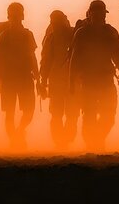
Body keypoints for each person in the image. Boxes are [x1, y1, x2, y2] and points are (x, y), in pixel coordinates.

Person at [69, 0, 119, 151]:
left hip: (105, 80)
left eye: (100, 13)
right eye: (96, 13)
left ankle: (97, 140)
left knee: (108, 116)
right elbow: (74, 59)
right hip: (88, 80)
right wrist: (71, 82)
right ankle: (92, 144)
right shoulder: (82, 33)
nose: (99, 16)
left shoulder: (110, 32)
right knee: (90, 115)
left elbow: (118, 54)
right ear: (90, 14)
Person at [0, 2, 39, 149]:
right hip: (15, 78)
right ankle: (16, 137)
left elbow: (31, 56)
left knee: (16, 112)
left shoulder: (10, 35)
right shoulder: (6, 36)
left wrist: (38, 78)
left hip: (17, 78)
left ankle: (16, 136)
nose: (17, 17)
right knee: (17, 112)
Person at [39, 10, 79, 149]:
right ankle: (61, 142)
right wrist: (43, 80)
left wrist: (43, 80)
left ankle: (65, 140)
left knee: (71, 114)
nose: (55, 24)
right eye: (53, 22)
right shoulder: (52, 38)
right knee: (58, 114)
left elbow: (45, 61)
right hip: (59, 81)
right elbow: (46, 60)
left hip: (71, 80)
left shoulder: (73, 34)